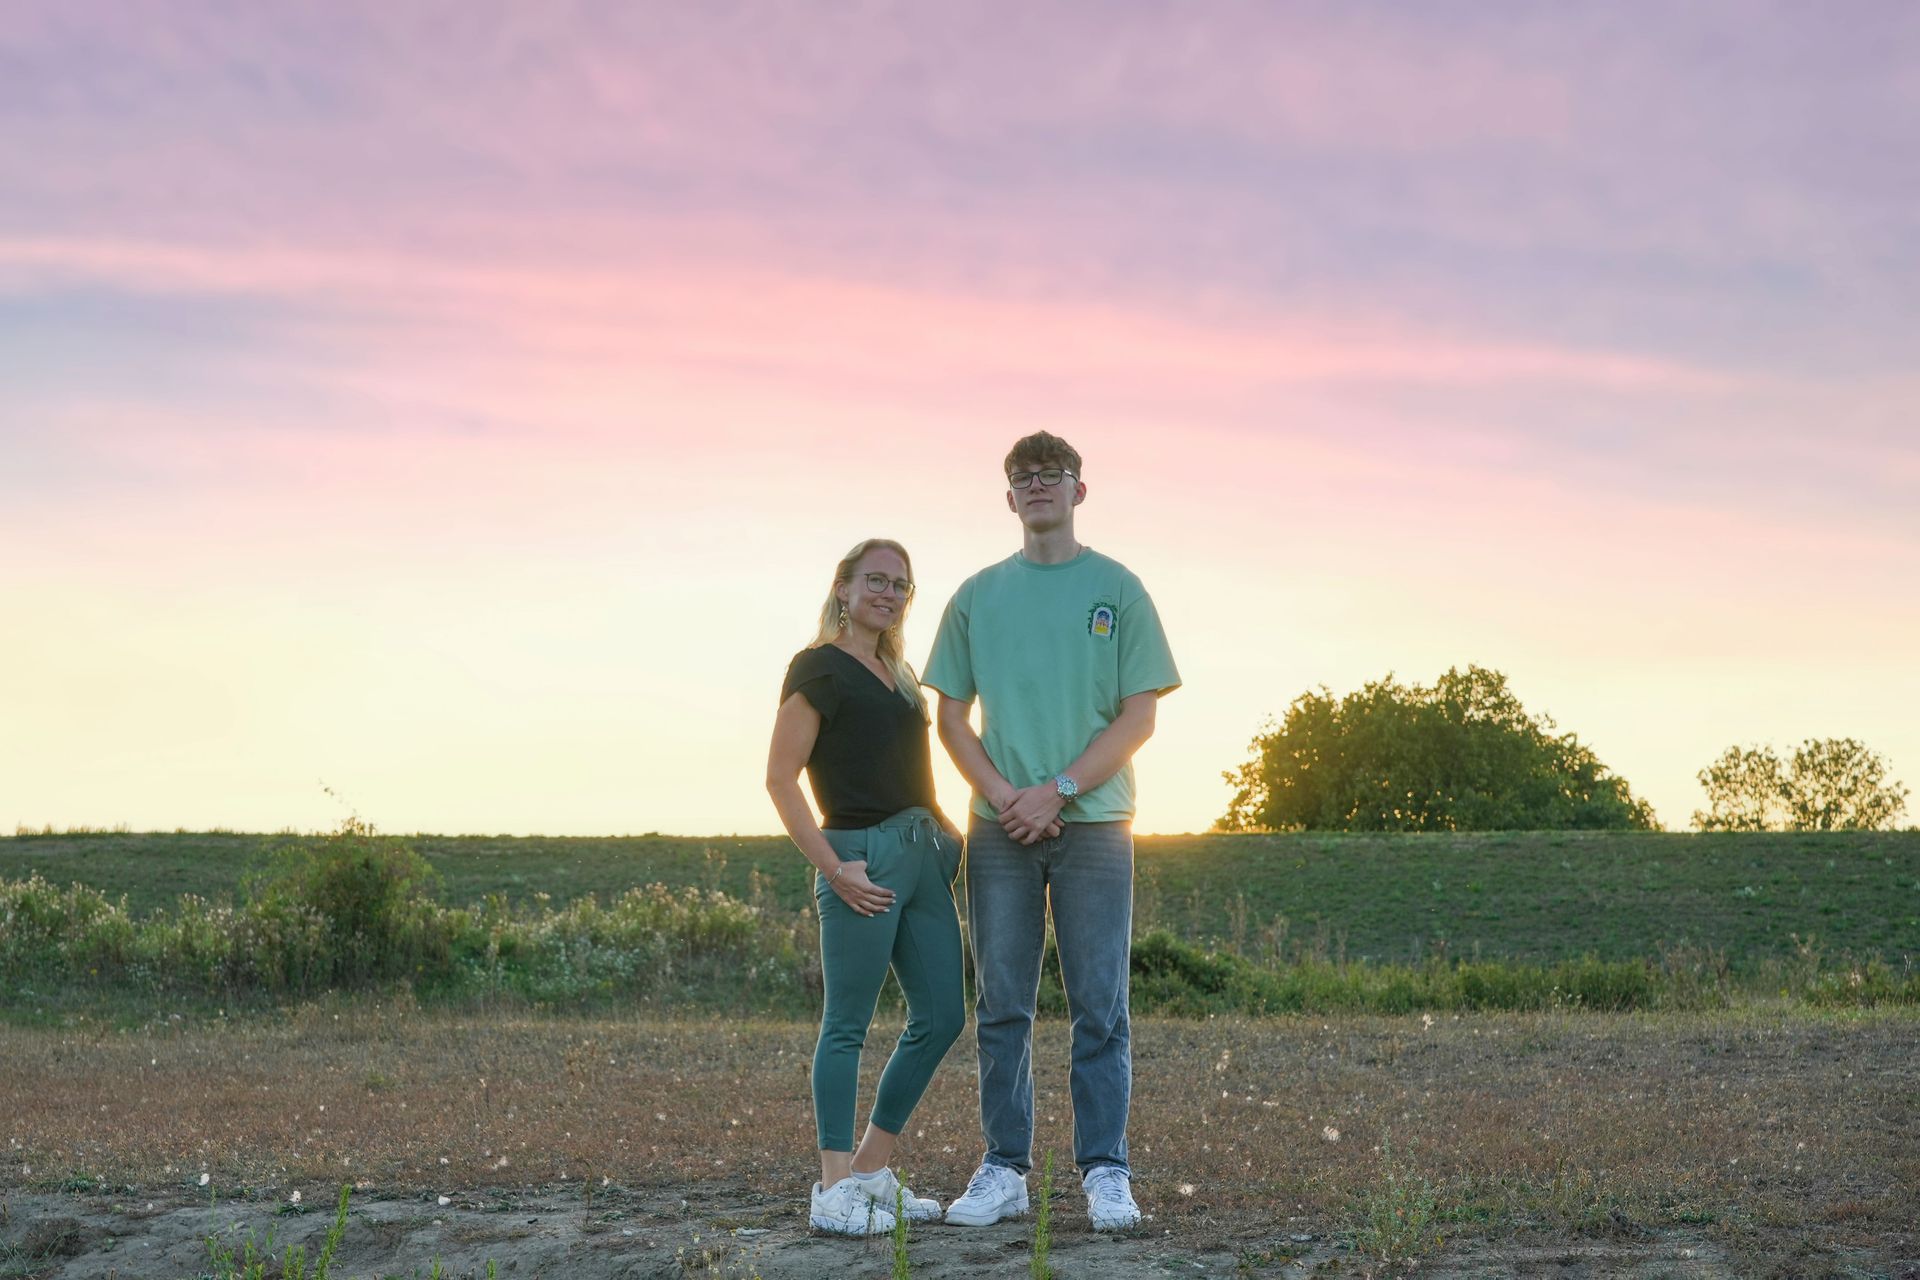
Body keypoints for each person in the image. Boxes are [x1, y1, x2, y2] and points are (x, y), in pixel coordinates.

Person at [922, 432, 1180, 1232]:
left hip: (1095, 822)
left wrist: (1059, 790)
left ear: (1078, 491)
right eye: (1023, 478)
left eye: (1053, 475)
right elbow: (951, 717)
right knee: (1003, 1003)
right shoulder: (975, 596)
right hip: (1000, 827)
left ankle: (1106, 1170)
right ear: (1009, 499)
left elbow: (1139, 718)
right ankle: (1004, 1169)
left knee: (1101, 1003)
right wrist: (1007, 796)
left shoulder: (1119, 589)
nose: (1038, 486)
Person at [765, 538, 968, 1236]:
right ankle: (831, 1191)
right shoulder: (818, 667)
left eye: (901, 585)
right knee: (846, 1025)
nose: (889, 593)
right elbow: (781, 778)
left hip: (920, 856)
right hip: (861, 858)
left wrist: (945, 837)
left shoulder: (900, 673)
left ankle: (871, 1172)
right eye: (876, 580)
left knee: (943, 1015)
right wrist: (833, 867)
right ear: (844, 588)